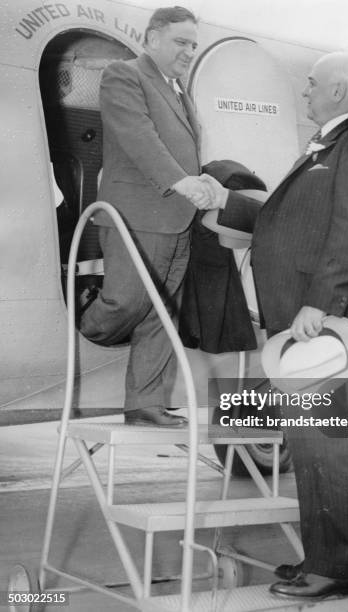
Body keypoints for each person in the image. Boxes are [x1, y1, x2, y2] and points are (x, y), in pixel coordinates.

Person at [194, 51, 348, 598]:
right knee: (306, 441)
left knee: (321, 440)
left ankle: (333, 572)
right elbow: (289, 220)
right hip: (298, 315)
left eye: (311, 84)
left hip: (315, 320)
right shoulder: (327, 145)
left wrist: (321, 303)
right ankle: (321, 560)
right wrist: (225, 200)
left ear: (338, 90)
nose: (304, 92)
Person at [80, 6, 211, 428]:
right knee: (128, 302)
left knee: (162, 314)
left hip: (178, 218)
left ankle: (144, 405)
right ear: (153, 38)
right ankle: (86, 320)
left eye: (194, 44)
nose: (190, 51)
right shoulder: (125, 75)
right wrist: (180, 181)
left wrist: (203, 184)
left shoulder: (178, 90)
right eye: (181, 42)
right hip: (138, 215)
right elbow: (138, 136)